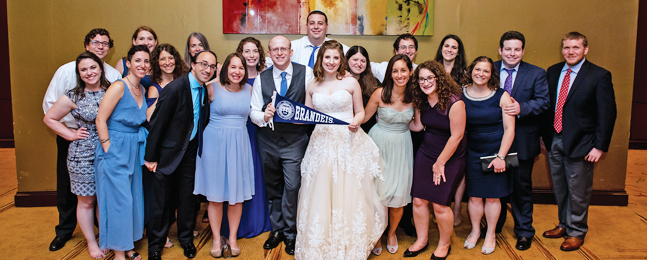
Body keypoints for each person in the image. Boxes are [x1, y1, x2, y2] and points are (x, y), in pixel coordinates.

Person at [295, 40, 387, 259]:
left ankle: (348, 244)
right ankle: (320, 243)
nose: (331, 61)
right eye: (327, 57)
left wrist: (356, 121)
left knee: (348, 191)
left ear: (341, 60)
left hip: (348, 139)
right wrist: (285, 113)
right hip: (321, 142)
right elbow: (308, 116)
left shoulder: (350, 83)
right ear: (321, 59)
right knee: (321, 190)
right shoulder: (312, 85)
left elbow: (360, 112)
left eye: (336, 58)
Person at [42, 28, 121, 252]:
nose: (89, 72)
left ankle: (106, 237)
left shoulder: (112, 87)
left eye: (93, 68)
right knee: (85, 200)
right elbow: (49, 115)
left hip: (108, 149)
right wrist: (70, 133)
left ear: (101, 68)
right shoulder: (74, 94)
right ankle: (91, 243)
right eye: (84, 69)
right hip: (82, 152)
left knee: (105, 198)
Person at [541, 32, 616, 251]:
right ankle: (564, 225)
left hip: (583, 144)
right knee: (560, 187)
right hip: (554, 139)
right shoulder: (553, 72)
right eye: (566, 47)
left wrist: (600, 146)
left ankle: (577, 231)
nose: (570, 51)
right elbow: (548, 107)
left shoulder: (599, 76)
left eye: (575, 47)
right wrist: (543, 136)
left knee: (578, 190)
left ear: (585, 49)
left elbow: (607, 114)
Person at [144, 50, 217, 260]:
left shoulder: (204, 90)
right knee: (162, 202)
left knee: (188, 199)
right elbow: (157, 124)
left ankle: (186, 240)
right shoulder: (174, 88)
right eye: (204, 64)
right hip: (167, 154)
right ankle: (155, 246)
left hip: (190, 153)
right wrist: (151, 157)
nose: (208, 69)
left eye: (212, 66)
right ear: (192, 65)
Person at [250, 35, 314, 255]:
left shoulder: (306, 72)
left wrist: (305, 116)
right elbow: (253, 111)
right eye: (274, 49)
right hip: (267, 140)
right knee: (273, 186)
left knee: (293, 186)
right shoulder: (262, 78)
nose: (279, 53)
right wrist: (263, 115)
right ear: (269, 53)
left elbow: (314, 103)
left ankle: (292, 232)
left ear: (291, 51)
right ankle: (276, 230)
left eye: (283, 49)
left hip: (295, 141)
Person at [489, 31, 550, 250]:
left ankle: (524, 231)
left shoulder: (536, 73)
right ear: (500, 50)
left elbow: (544, 102)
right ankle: (494, 226)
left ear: (523, 51)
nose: (512, 53)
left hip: (523, 141)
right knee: (494, 186)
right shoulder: (488, 69)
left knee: (521, 188)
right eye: (508, 49)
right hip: (493, 140)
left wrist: (522, 108)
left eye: (517, 49)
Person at [194, 53, 254, 258]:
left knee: (236, 197)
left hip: (239, 144)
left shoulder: (250, 89)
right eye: (233, 67)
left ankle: (234, 237)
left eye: (241, 68)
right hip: (214, 144)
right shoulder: (211, 88)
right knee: (216, 196)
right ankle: (217, 238)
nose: (237, 72)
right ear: (225, 68)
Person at [213, 37, 273, 240]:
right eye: (246, 51)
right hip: (236, 132)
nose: (251, 55)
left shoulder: (266, 77)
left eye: (255, 50)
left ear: (260, 54)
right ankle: (230, 229)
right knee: (232, 178)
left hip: (259, 132)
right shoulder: (230, 79)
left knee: (256, 174)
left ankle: (256, 220)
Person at [94, 45, 151, 260]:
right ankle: (119, 252)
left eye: (146, 61)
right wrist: (108, 148)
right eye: (137, 60)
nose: (142, 65)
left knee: (133, 199)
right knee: (119, 201)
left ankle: (127, 245)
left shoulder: (142, 89)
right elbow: (100, 119)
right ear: (128, 63)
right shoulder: (118, 86)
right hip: (115, 147)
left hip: (134, 148)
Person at [406, 60, 465, 259]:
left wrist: (440, 163)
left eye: (430, 77)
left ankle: (444, 244)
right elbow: (417, 127)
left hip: (451, 155)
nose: (425, 82)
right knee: (419, 200)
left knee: (440, 204)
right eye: (421, 79)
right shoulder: (421, 101)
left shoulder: (455, 103)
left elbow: (456, 136)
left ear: (439, 78)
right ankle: (422, 240)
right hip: (426, 151)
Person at [461, 56, 515, 255]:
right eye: (477, 69)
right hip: (471, 150)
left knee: (493, 198)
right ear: (471, 70)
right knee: (474, 197)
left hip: (496, 151)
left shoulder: (502, 95)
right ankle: (475, 231)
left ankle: (491, 233)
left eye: (485, 71)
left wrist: (501, 157)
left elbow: (510, 129)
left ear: (491, 75)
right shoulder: (461, 94)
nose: (480, 74)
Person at [364, 54, 415, 255]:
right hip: (379, 144)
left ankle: (392, 233)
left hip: (402, 146)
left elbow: (418, 124)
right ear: (390, 74)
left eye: (403, 70)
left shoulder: (415, 96)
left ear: (410, 72)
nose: (399, 74)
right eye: (395, 71)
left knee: (398, 195)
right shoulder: (379, 93)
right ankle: (377, 235)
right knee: (378, 195)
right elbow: (364, 118)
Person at [144, 43, 188, 249]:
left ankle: (184, 235)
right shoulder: (155, 87)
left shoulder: (184, 82)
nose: (167, 62)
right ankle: (157, 242)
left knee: (184, 196)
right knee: (161, 200)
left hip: (185, 147)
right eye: (162, 59)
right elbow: (151, 118)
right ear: (157, 63)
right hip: (165, 149)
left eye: (171, 58)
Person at [433, 34, 469, 227]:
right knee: (437, 166)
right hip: (435, 128)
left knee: (457, 170)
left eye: (454, 47)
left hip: (457, 127)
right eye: (446, 45)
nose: (449, 49)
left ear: (458, 51)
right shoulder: (431, 69)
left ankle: (456, 209)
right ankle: (439, 204)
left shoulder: (465, 73)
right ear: (441, 48)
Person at [346, 45, 379, 133]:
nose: (359, 64)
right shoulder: (340, 81)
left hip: (368, 131)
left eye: (363, 61)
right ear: (347, 60)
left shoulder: (374, 83)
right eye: (355, 59)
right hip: (345, 130)